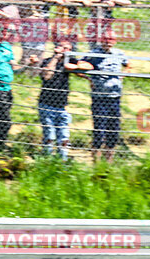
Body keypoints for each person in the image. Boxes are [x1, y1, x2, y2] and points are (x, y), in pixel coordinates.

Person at [75, 30, 130, 162]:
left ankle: (108, 161)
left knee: (113, 129)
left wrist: (123, 75)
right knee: (99, 129)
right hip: (99, 98)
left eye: (111, 39)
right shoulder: (94, 54)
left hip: (115, 97)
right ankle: (96, 161)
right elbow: (78, 66)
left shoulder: (119, 53)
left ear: (115, 41)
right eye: (105, 39)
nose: (108, 41)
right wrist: (89, 79)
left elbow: (128, 65)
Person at [38, 40, 80, 160]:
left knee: (64, 136)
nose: (66, 50)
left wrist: (77, 69)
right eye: (64, 48)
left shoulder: (70, 61)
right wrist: (56, 58)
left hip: (62, 106)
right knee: (50, 135)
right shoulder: (47, 61)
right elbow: (47, 76)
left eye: (68, 49)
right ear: (57, 48)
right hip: (46, 104)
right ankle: (47, 158)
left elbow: (85, 67)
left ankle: (62, 159)